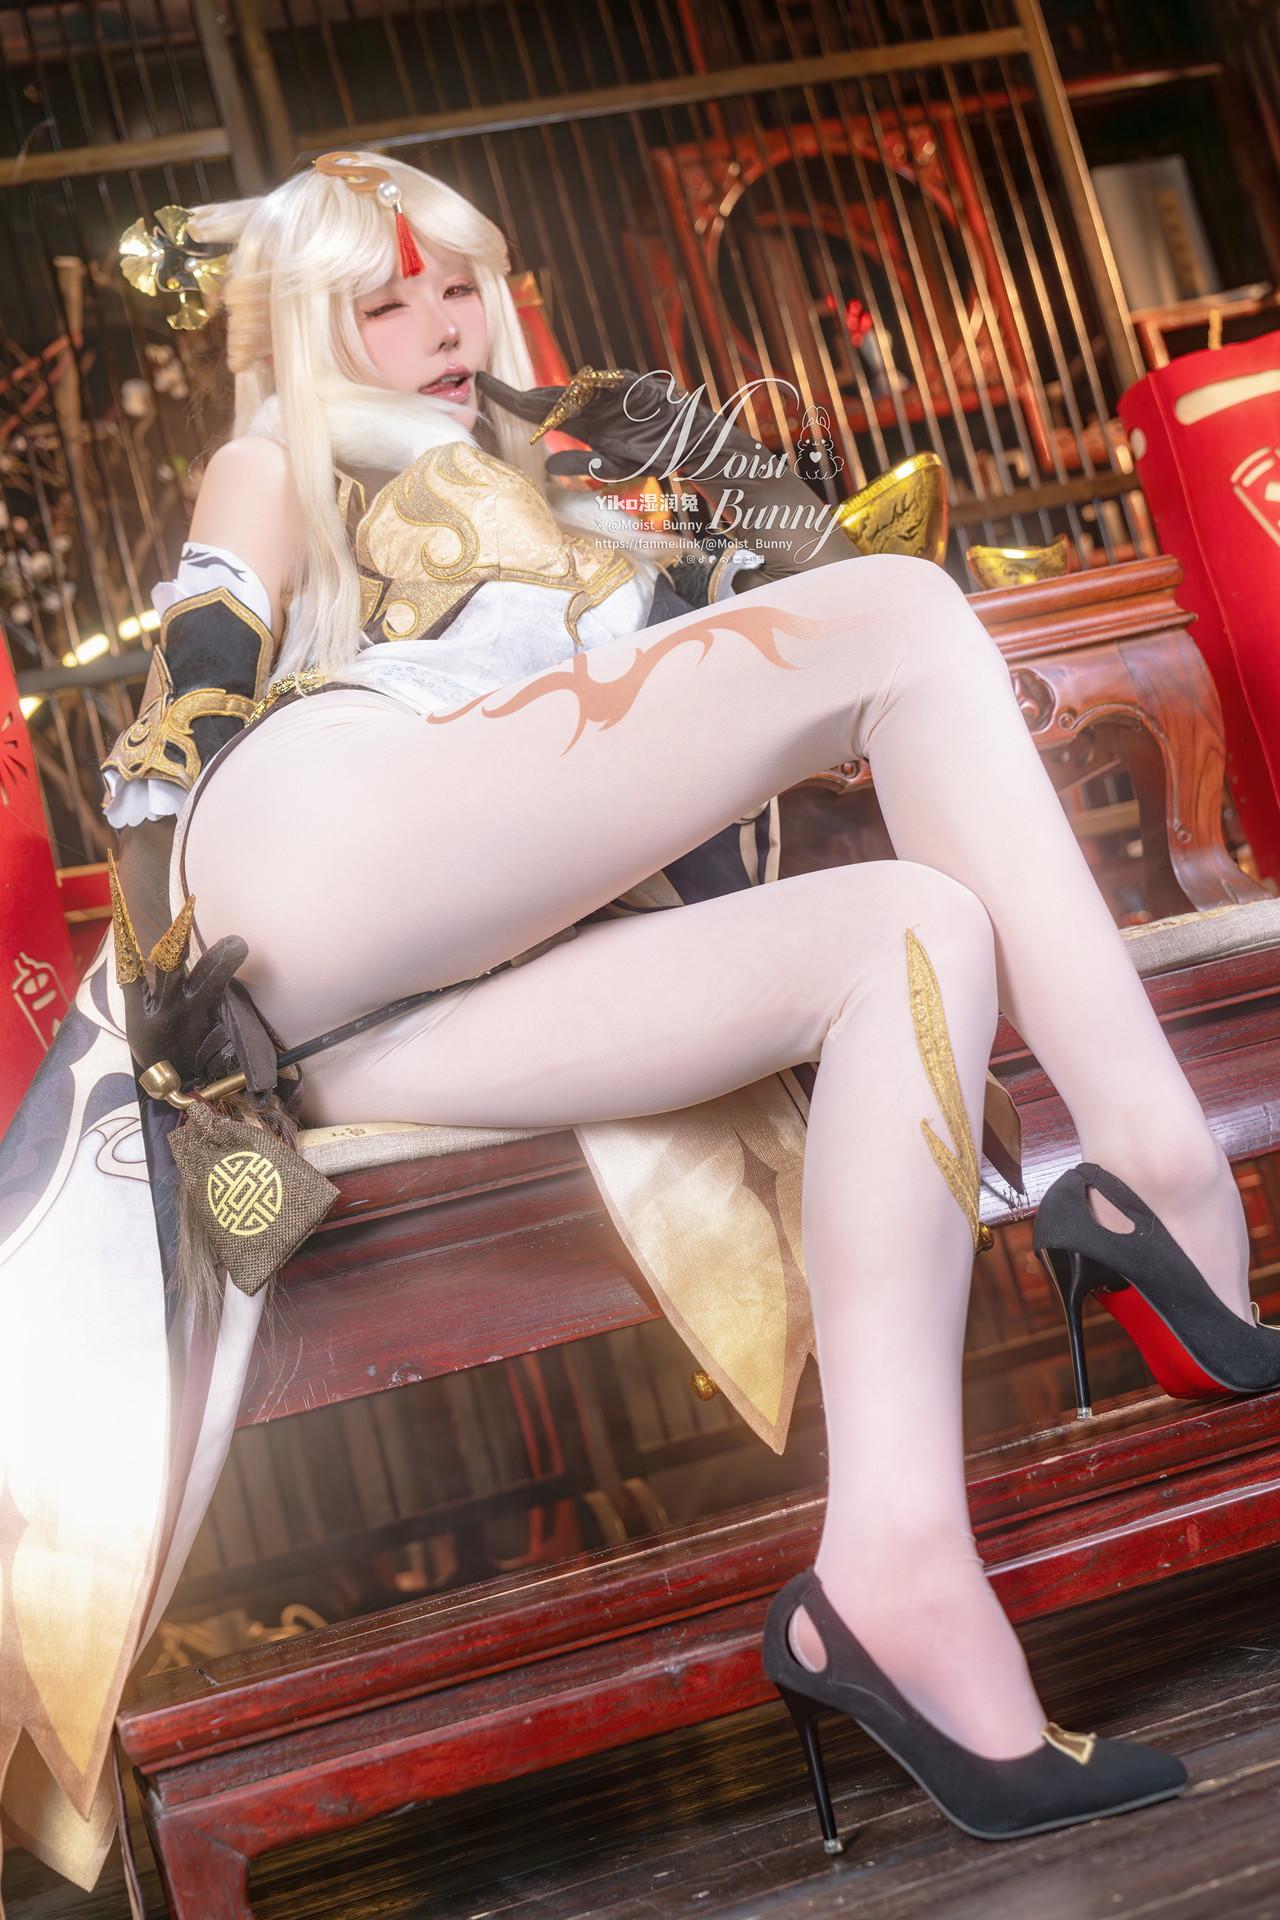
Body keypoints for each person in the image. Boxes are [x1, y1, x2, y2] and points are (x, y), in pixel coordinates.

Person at [5, 146, 1277, 1902]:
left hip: (407, 1004)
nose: (439, 324)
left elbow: (781, 626)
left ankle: (896, 1575)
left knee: (912, 929)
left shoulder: (562, 476)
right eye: (382, 301)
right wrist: (168, 938)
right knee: (907, 618)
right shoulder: (278, 452)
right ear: (305, 328)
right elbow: (195, 678)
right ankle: (1158, 1175)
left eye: (459, 284)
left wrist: (696, 490)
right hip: (305, 847)